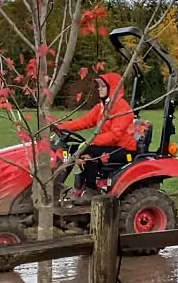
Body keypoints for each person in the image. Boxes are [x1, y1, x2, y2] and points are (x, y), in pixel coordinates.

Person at [58, 73, 137, 202]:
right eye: (98, 86)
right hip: (110, 145)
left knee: (88, 151)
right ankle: (68, 185)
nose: (99, 88)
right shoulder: (102, 107)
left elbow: (115, 135)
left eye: (102, 86)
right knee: (71, 149)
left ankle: (91, 188)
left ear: (112, 88)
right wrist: (62, 126)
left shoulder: (122, 108)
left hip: (123, 148)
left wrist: (91, 141)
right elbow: (84, 121)